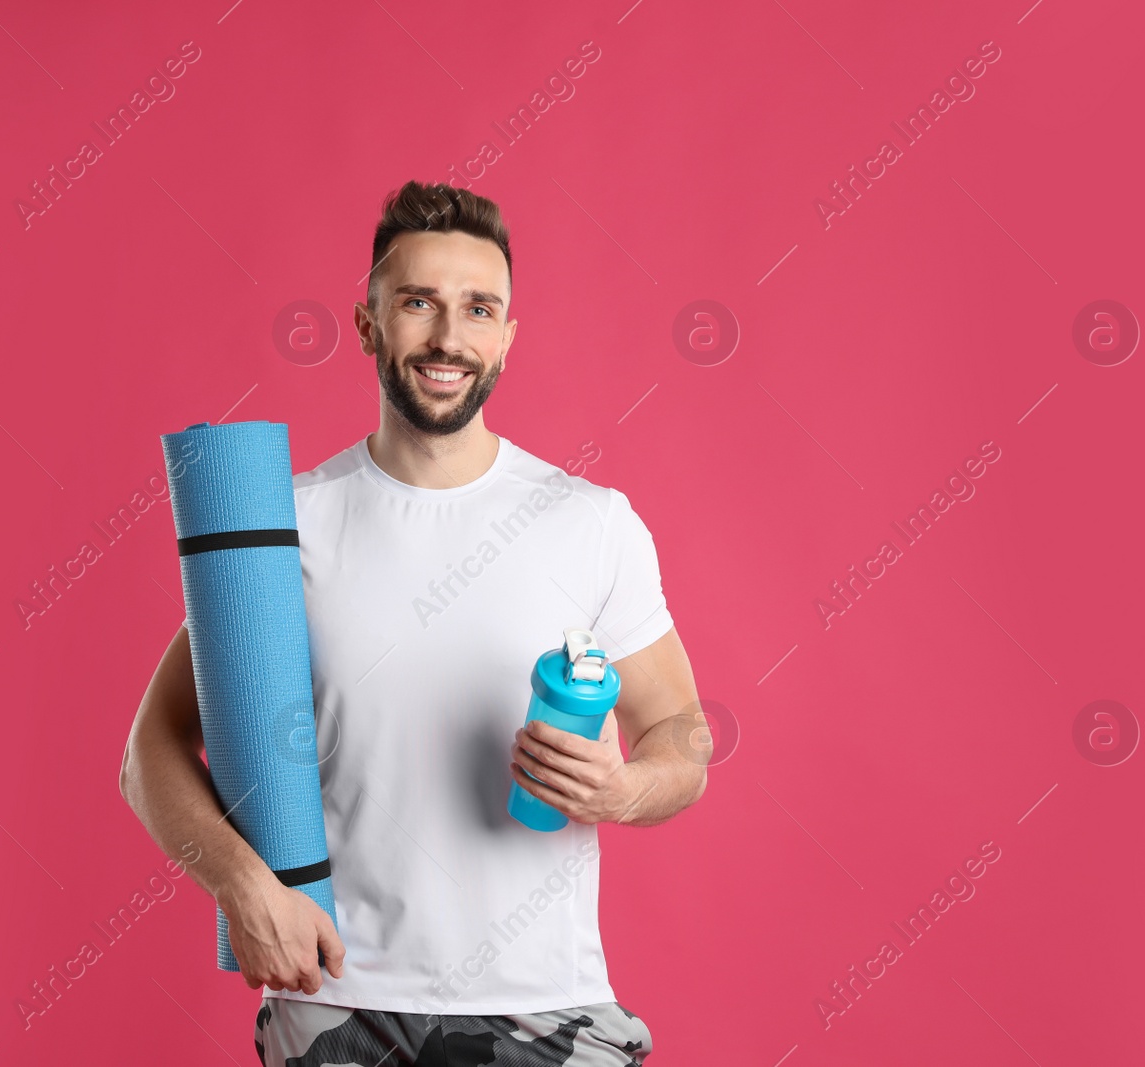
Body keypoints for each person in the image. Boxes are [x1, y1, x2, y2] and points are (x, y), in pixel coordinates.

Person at [120, 180, 709, 1066]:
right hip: (338, 1004)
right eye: (418, 303)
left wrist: (623, 790)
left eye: (479, 309)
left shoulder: (589, 522)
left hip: (546, 1005)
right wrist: (244, 888)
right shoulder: (282, 524)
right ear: (367, 324)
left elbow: (681, 732)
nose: (448, 337)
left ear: (507, 339)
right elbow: (147, 755)